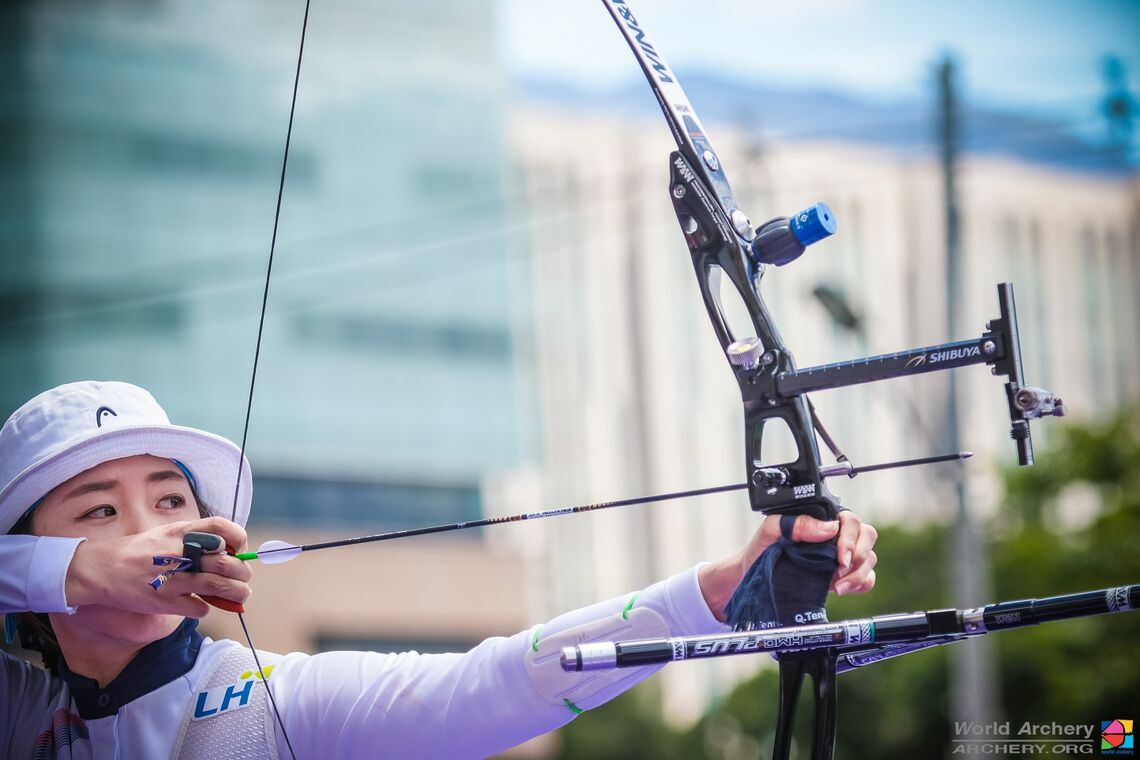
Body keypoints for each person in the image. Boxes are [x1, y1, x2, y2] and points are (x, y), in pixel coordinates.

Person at [0, 380, 878, 759]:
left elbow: (490, 685)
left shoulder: (269, 706)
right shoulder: (20, 707)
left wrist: (716, 592)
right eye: (98, 512)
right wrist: (79, 574)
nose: (149, 533)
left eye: (170, 499)